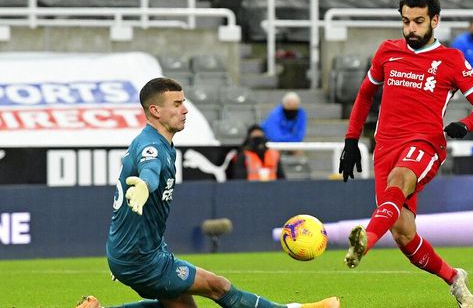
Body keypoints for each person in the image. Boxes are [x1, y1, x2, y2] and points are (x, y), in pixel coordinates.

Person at [77, 78, 339, 308]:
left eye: (184, 102)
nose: (185, 109)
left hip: (136, 250)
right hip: (139, 256)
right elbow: (150, 168)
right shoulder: (152, 146)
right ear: (155, 110)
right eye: (177, 104)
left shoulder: (157, 142)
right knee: (218, 287)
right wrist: (145, 185)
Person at [338, 0, 473, 308]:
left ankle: (364, 242)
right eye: (406, 21)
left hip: (425, 144)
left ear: (434, 21)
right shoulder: (387, 52)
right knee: (403, 234)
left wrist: (466, 125)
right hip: (385, 147)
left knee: (400, 180)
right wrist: (352, 140)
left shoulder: (451, 60)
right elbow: (365, 94)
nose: (411, 29)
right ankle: (454, 277)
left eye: (419, 21)